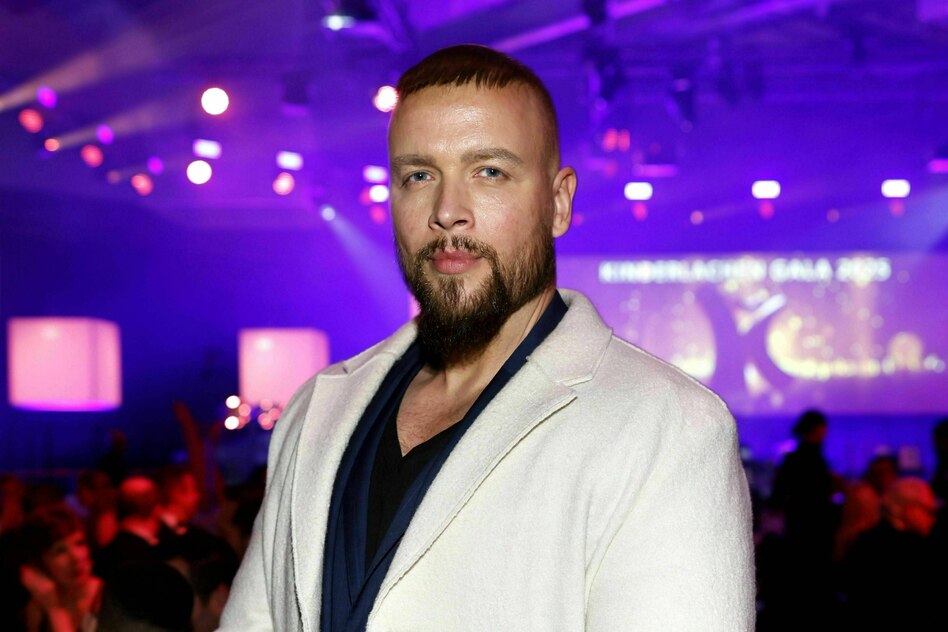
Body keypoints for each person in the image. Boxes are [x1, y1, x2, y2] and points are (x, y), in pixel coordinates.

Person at [221, 44, 754, 631]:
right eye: (419, 175)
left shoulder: (668, 427)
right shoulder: (316, 408)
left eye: (489, 172)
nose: (448, 211)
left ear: (558, 203)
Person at [18, 504, 103, 632]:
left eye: (79, 543)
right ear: (40, 564)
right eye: (59, 551)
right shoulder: (37, 608)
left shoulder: (108, 599)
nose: (76, 557)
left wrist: (54, 610)